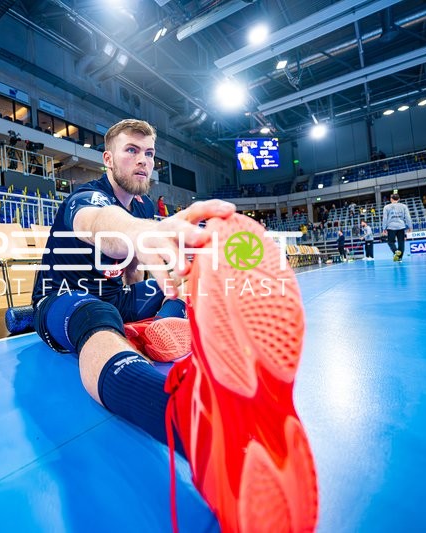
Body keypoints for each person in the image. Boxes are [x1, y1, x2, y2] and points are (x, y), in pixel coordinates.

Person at [31, 119, 318, 531]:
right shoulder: (86, 197)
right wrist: (140, 234)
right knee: (97, 317)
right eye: (132, 150)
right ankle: (189, 421)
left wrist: (159, 271)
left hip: (116, 297)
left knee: (185, 285)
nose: (143, 161)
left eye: (149, 153)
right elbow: (100, 224)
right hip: (62, 300)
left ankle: (167, 323)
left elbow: (131, 266)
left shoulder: (144, 205)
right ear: (108, 158)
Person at [382, 193, 412, 262]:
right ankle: (400, 258)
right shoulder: (404, 206)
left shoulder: (386, 207)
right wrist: (410, 226)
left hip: (391, 227)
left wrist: (384, 228)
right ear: (398, 199)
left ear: (391, 199)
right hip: (401, 226)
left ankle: (396, 252)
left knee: (390, 242)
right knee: (401, 243)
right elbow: (408, 217)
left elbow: (384, 218)